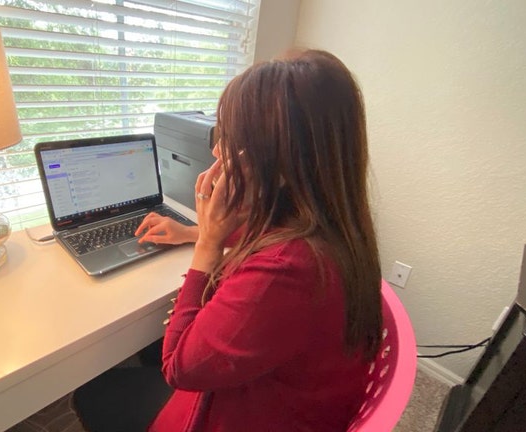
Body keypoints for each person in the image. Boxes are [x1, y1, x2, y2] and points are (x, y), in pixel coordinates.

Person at [135, 49, 382, 431]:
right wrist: (193, 231)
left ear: (280, 162)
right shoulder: (327, 226)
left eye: (229, 139)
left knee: (135, 368)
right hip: (275, 398)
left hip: (242, 415)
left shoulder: (288, 268)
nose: (216, 151)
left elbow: (178, 366)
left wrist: (206, 249)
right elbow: (260, 236)